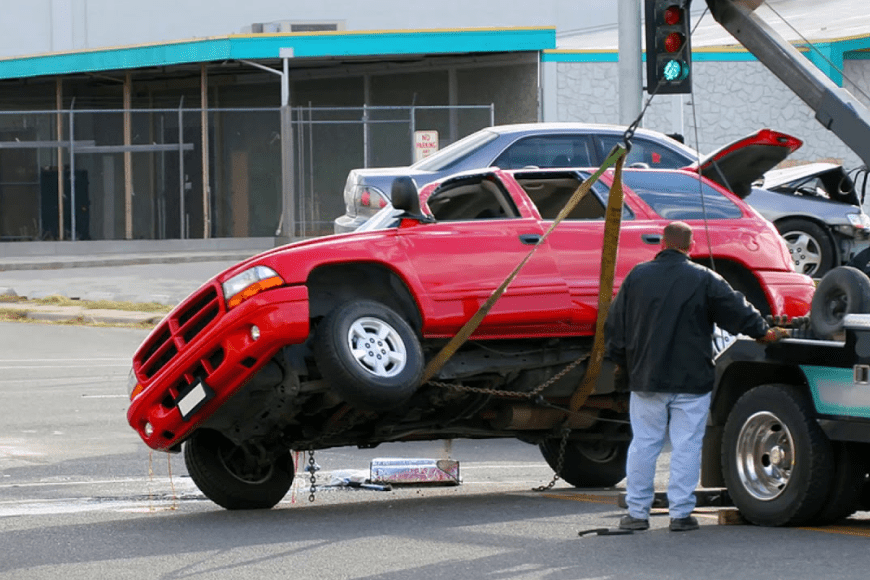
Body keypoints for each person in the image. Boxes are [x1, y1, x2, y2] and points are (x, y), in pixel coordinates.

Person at [604, 221, 787, 532]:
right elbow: (737, 309)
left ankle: (636, 514)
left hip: (646, 378)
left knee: (644, 444)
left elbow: (615, 325)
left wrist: (621, 363)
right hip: (691, 380)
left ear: (661, 243)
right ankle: (680, 515)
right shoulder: (704, 277)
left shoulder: (637, 276)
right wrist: (763, 332)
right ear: (690, 247)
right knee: (686, 446)